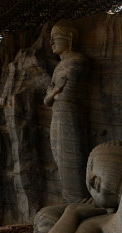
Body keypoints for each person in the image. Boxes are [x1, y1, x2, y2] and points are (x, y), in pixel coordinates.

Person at [44, 19, 89, 202]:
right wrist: (55, 91)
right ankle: (68, 201)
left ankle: (77, 201)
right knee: (59, 158)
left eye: (56, 37)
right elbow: (47, 99)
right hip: (57, 114)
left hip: (69, 113)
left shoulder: (78, 61)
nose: (51, 43)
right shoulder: (58, 67)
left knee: (71, 157)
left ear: (69, 37)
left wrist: (53, 94)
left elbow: (66, 96)